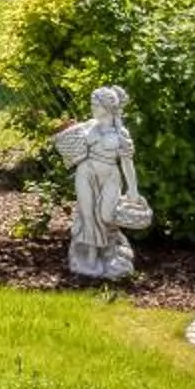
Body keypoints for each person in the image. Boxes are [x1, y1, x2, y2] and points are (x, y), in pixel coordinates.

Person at [55, 84, 147, 282]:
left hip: (110, 176)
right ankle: (90, 255)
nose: (92, 107)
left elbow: (127, 164)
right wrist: (85, 138)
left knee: (106, 215)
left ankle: (111, 248)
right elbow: (74, 152)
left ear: (107, 107)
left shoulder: (121, 134)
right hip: (86, 173)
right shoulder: (89, 127)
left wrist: (133, 190)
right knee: (87, 214)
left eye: (95, 104)